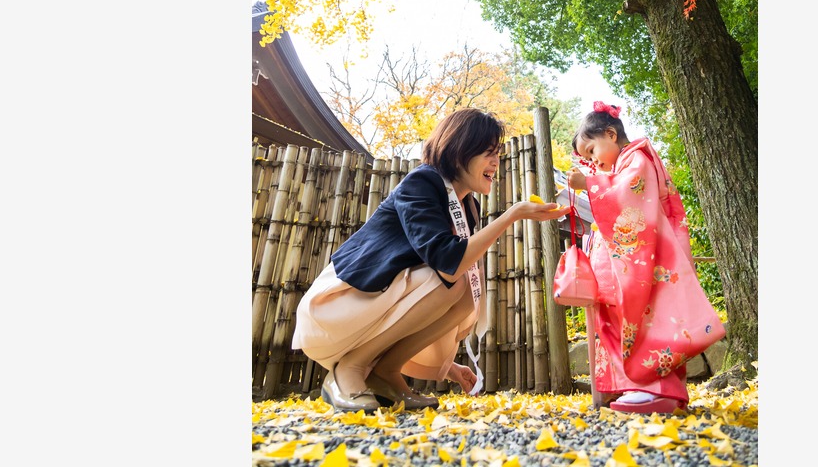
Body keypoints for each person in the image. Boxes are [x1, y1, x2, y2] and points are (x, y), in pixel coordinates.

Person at [292, 107, 568, 412]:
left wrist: (449, 367)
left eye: (498, 154)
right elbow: (447, 263)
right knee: (451, 281)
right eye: (488, 153)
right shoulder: (422, 182)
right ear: (460, 151)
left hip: (375, 304)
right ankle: (349, 369)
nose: (495, 162)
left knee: (466, 291)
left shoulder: (467, 205)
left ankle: (385, 372)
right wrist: (512, 215)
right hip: (338, 303)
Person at [566, 101, 726, 414]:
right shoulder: (624, 162)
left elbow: (630, 194)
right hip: (639, 259)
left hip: (650, 259)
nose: (591, 161)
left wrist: (590, 184)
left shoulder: (636, 158)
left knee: (649, 318)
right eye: (586, 158)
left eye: (591, 151)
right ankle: (638, 387)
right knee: (629, 319)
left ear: (611, 135)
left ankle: (652, 389)